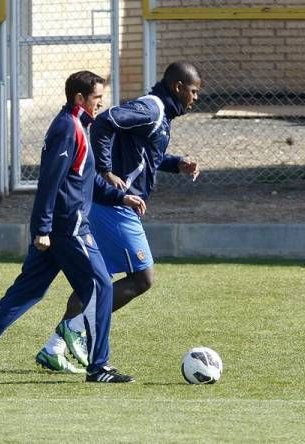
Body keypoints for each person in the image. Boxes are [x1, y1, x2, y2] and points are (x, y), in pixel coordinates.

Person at [0, 70, 146, 384]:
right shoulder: (67, 129)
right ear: (80, 99)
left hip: (60, 229)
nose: (101, 104)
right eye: (97, 98)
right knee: (101, 287)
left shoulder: (79, 126)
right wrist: (42, 230)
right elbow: (50, 183)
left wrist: (121, 197)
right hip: (68, 229)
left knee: (26, 291)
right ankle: (99, 366)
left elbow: (84, 183)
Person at [35, 61, 202, 373]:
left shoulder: (160, 115)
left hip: (107, 203)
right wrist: (106, 170)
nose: (195, 98)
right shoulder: (152, 108)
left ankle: (53, 349)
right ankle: (76, 328)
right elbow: (105, 122)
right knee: (142, 278)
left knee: (93, 281)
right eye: (193, 91)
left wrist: (177, 163)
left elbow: (144, 154)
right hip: (115, 206)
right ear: (178, 87)